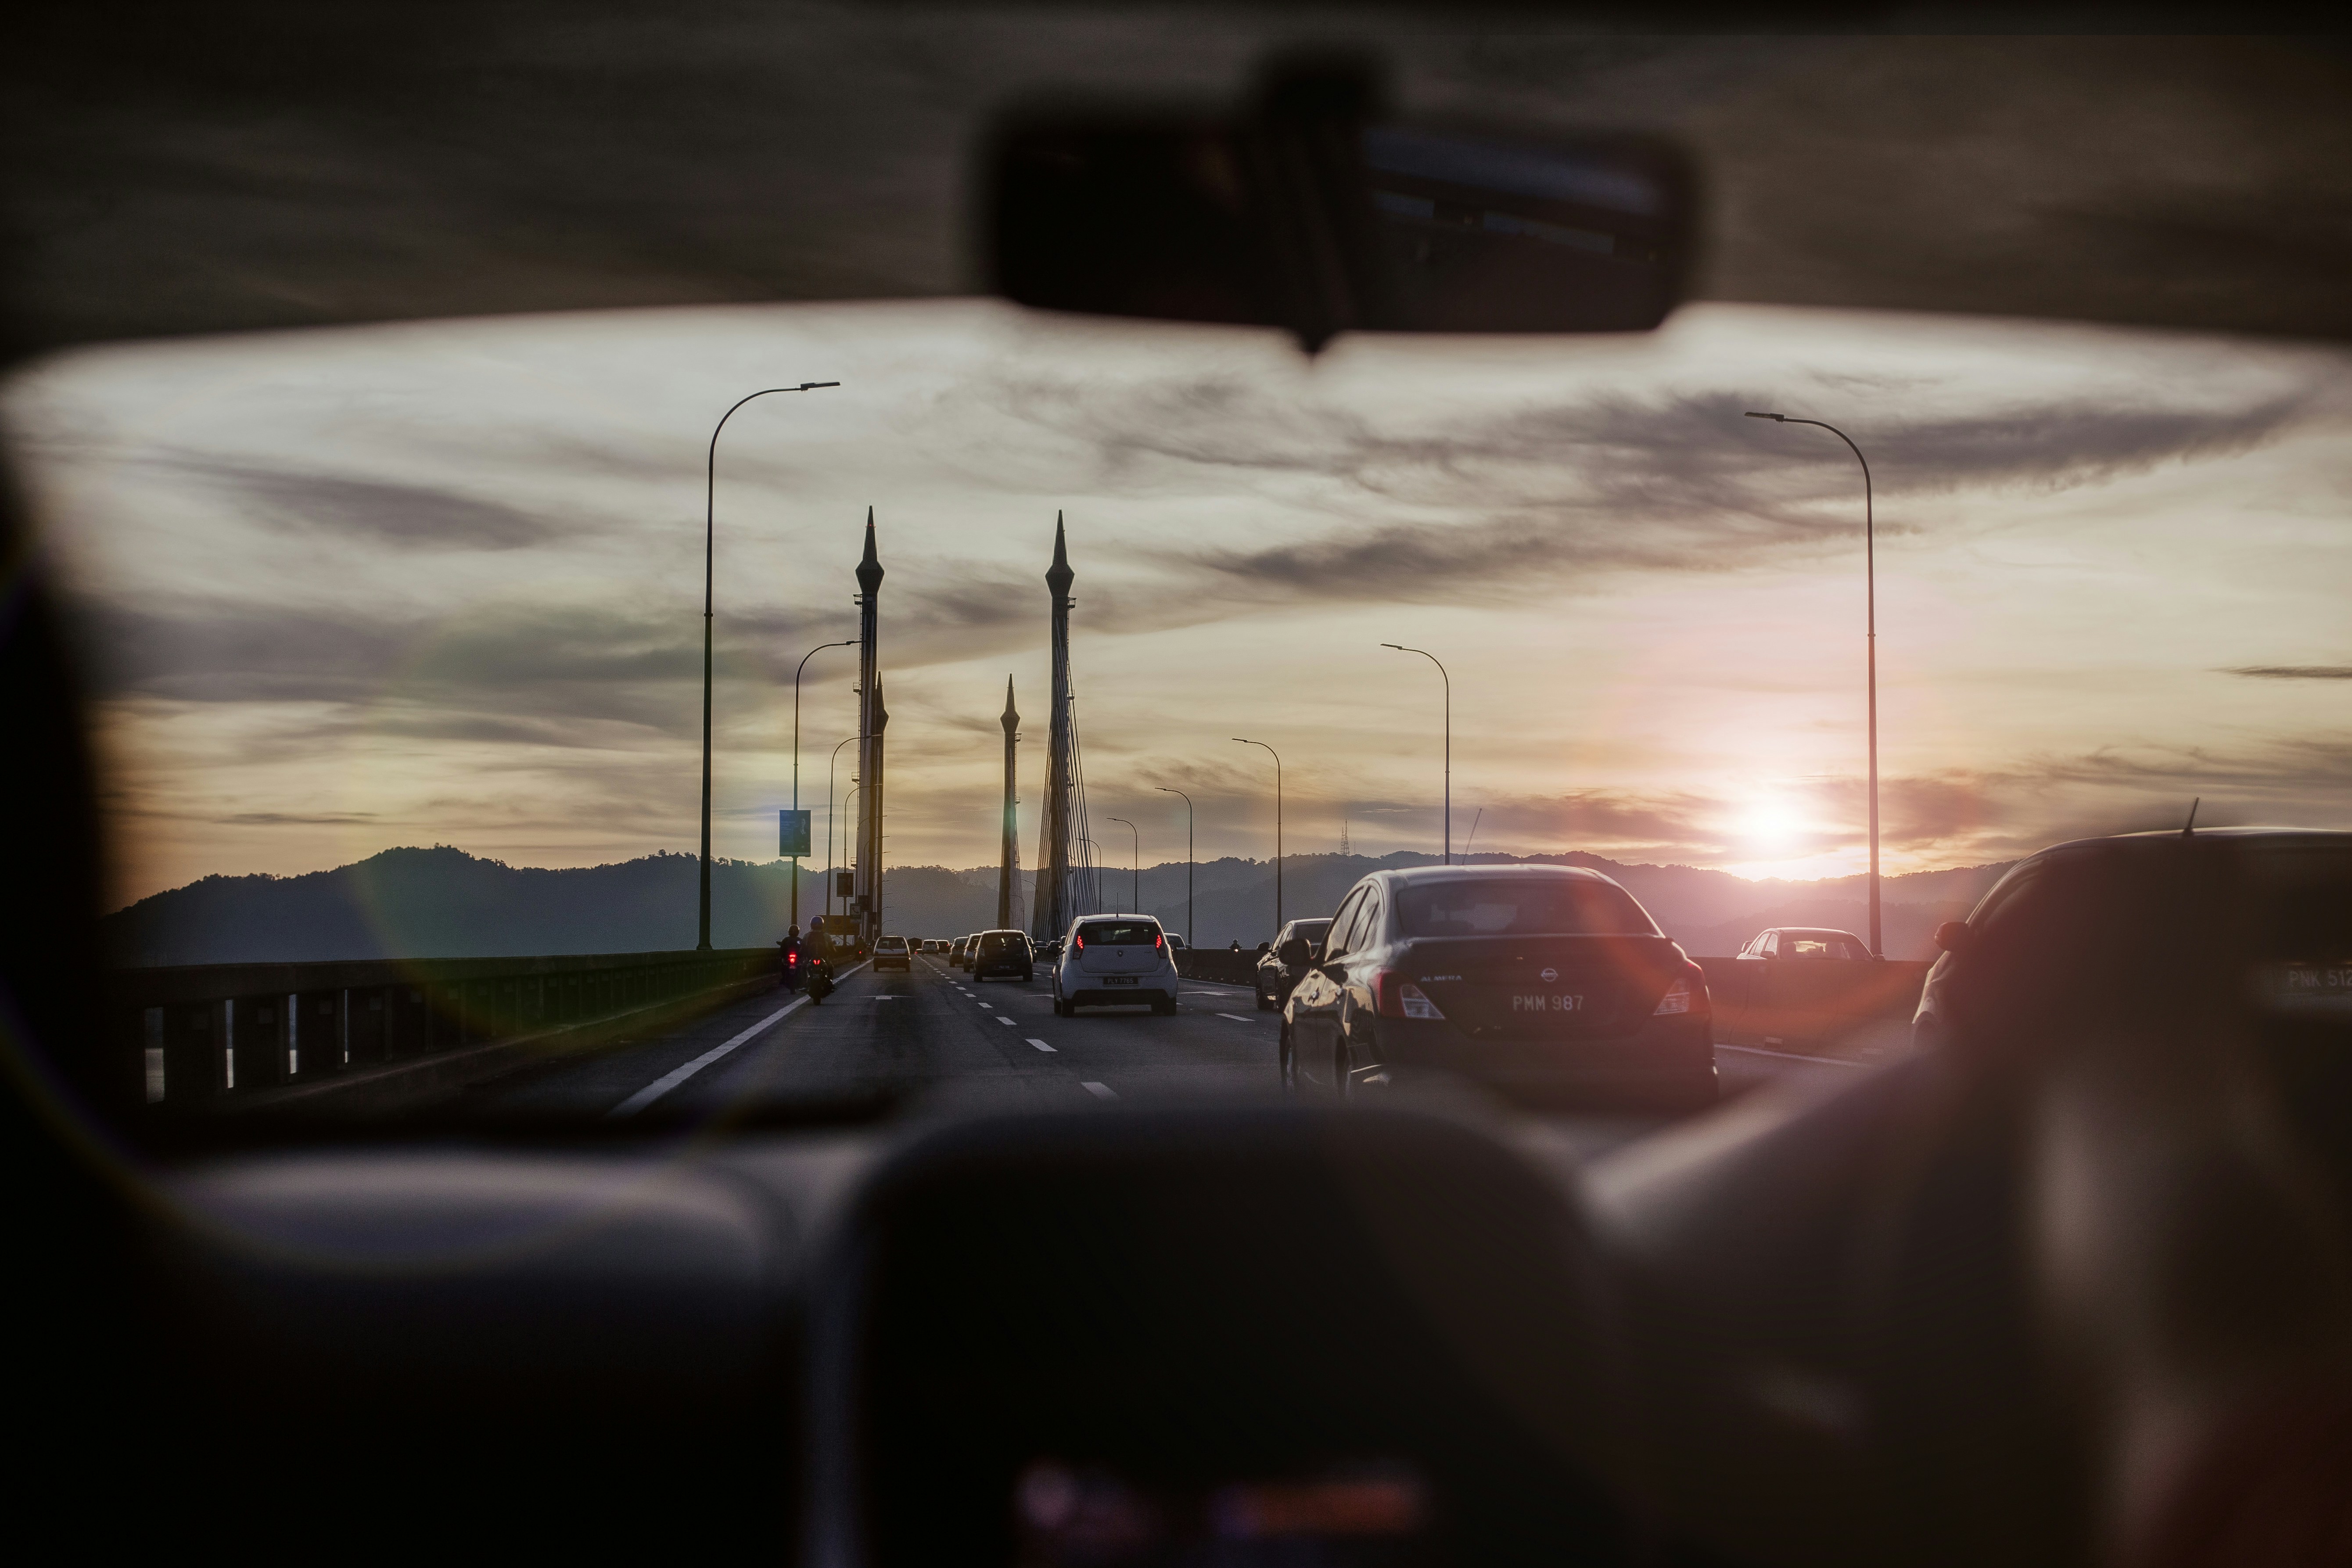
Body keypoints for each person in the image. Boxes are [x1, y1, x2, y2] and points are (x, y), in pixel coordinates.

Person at [778, 923, 802, 992]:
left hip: (791, 959)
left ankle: (783, 979)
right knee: (802, 967)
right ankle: (803, 982)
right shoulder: (799, 940)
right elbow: (804, 949)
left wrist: (783, 957)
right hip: (793, 959)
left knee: (783, 967)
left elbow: (782, 950)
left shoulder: (786, 940)